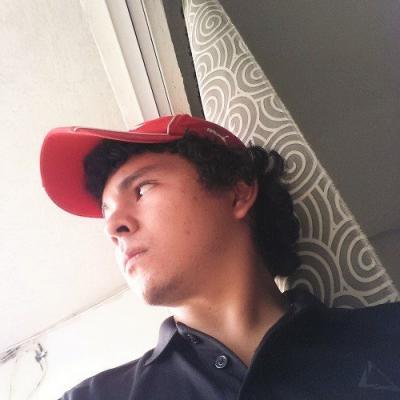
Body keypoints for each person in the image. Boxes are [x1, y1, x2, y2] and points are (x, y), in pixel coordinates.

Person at [40, 114, 400, 399]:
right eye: (106, 213)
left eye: (142, 188)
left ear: (237, 193)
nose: (112, 226)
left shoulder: (389, 335)